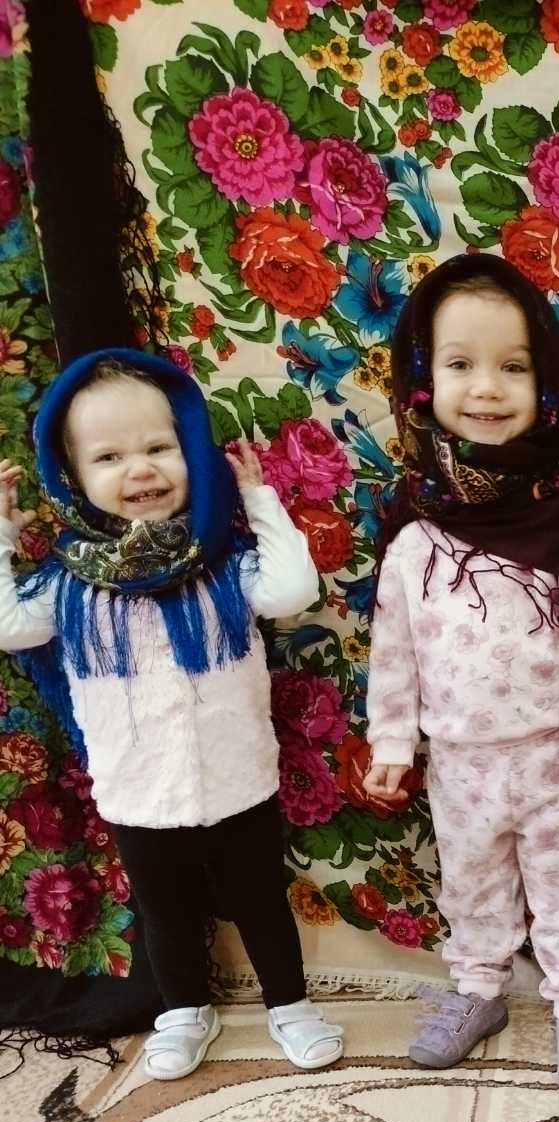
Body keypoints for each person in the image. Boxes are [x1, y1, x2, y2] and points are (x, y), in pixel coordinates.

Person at [0, 348, 344, 1078]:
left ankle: (290, 1004)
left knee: (260, 899)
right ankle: (184, 1009)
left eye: (159, 447)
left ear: (191, 450)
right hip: (138, 790)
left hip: (238, 777)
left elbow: (291, 591)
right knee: (165, 910)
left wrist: (258, 499)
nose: (140, 469)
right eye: (109, 457)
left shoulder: (224, 565)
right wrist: (0, 537)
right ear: (72, 476)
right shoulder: (67, 587)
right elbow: (7, 626)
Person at [363, 255, 559, 1097]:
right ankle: (479, 990)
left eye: (513, 366)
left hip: (557, 757)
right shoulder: (415, 530)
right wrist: (391, 742)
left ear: (545, 382)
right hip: (460, 760)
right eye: (460, 364)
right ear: (422, 379)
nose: (487, 387)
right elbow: (394, 648)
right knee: (471, 883)